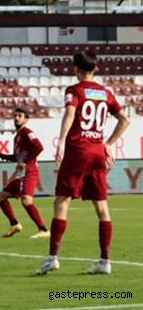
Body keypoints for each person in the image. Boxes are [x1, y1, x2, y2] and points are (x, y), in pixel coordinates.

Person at [36, 51, 130, 276]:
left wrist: (60, 142)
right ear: (95, 68)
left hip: (78, 151)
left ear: (75, 68)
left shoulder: (75, 90)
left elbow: (69, 114)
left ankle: (52, 258)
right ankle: (105, 261)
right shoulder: (105, 92)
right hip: (98, 152)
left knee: (61, 202)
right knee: (101, 207)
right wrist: (108, 144)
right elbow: (125, 119)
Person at [0, 108, 49, 239]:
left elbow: (39, 147)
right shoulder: (17, 137)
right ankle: (14, 224)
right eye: (15, 116)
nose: (16, 118)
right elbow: (18, 158)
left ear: (26, 119)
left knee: (26, 201)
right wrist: (1, 155)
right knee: (1, 197)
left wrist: (27, 162)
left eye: (20, 116)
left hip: (30, 171)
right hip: (22, 173)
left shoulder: (27, 133)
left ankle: (44, 230)